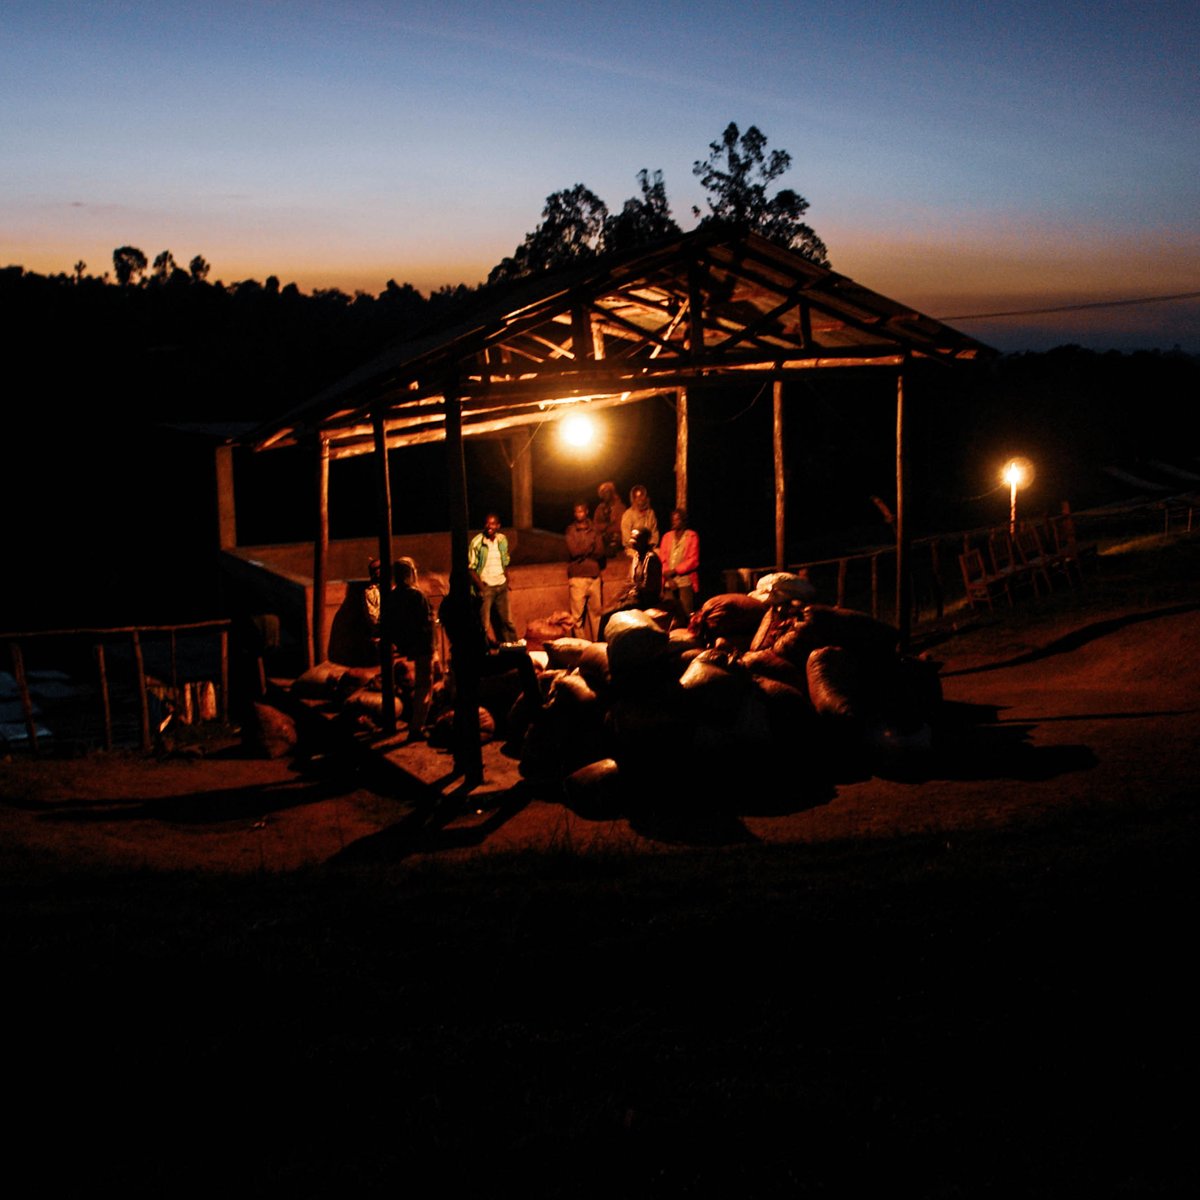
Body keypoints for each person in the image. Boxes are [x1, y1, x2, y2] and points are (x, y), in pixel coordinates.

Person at [383, 557, 434, 741]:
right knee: (424, 687)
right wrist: (431, 647)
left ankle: (414, 721)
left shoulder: (393, 595)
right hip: (421, 646)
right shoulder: (416, 595)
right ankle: (417, 728)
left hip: (404, 645)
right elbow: (425, 624)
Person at [598, 527, 663, 640]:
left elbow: (650, 587)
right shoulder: (637, 556)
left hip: (646, 600)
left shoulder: (651, 558)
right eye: (631, 537)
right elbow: (630, 581)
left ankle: (600, 643)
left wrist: (633, 591)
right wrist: (618, 597)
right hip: (635, 596)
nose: (631, 541)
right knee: (607, 609)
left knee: (606, 616)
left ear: (643, 540)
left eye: (635, 538)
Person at [468, 513, 518, 645]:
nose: (489, 526)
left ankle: (514, 648)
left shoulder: (502, 540)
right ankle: (482, 651)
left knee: (507, 621)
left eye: (492, 524)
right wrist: (482, 588)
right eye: (487, 523)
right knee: (483, 624)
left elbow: (505, 561)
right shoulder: (477, 542)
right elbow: (471, 568)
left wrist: (507, 580)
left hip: (501, 585)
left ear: (498, 526)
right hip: (487, 587)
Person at [565, 501, 605, 640]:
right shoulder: (571, 530)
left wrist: (584, 550)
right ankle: (583, 650)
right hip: (577, 578)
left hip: (594, 576)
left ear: (586, 511)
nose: (579, 514)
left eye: (581, 511)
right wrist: (590, 546)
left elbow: (600, 551)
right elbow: (573, 551)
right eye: (577, 512)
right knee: (576, 619)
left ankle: (597, 647)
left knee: (597, 616)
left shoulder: (595, 529)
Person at [659, 507, 700, 618]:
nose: (674, 522)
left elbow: (693, 561)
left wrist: (675, 571)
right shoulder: (667, 537)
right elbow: (662, 560)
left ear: (683, 521)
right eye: (673, 519)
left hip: (685, 582)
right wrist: (669, 578)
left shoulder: (692, 536)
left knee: (686, 615)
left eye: (677, 519)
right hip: (669, 582)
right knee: (668, 616)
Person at [620, 484, 658, 556]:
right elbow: (626, 536)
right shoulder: (628, 514)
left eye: (642, 496)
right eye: (637, 497)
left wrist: (651, 544)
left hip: (649, 547)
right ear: (633, 499)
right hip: (633, 549)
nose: (640, 499)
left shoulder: (650, 513)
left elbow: (654, 531)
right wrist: (637, 547)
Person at [593, 481, 627, 558]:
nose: (605, 494)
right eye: (603, 493)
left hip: (616, 538)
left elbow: (620, 526)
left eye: (607, 492)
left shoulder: (620, 507)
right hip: (603, 537)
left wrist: (606, 528)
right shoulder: (599, 508)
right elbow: (595, 526)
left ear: (612, 493)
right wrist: (607, 525)